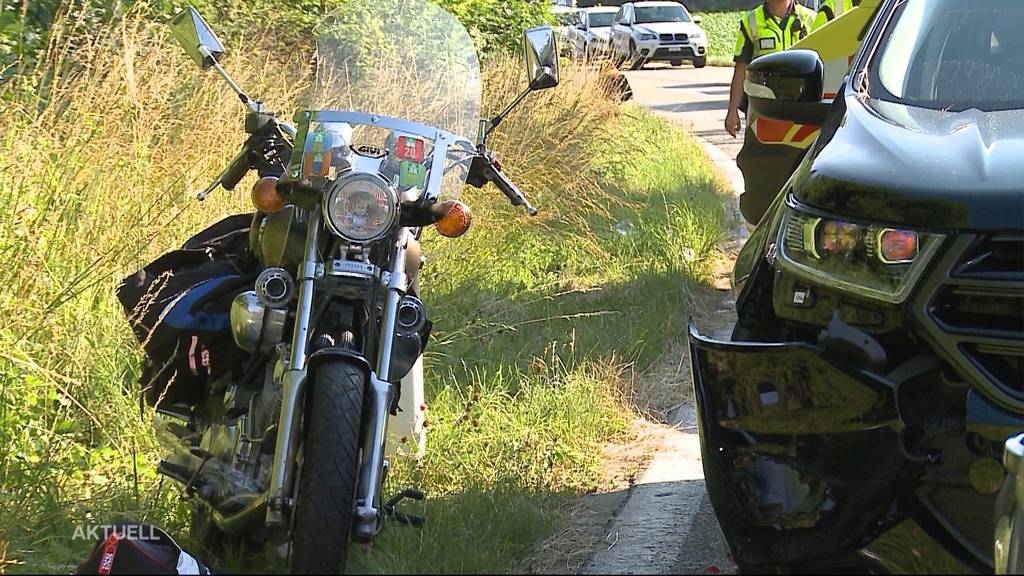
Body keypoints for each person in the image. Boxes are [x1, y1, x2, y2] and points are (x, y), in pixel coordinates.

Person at [724, 0, 818, 225]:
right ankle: (763, 225)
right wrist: (732, 111)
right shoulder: (751, 22)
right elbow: (741, 68)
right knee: (762, 172)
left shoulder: (811, 19)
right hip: (763, 113)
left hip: (803, 111)